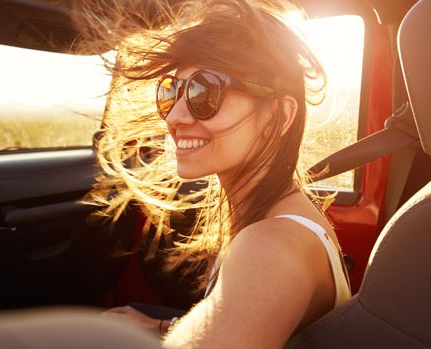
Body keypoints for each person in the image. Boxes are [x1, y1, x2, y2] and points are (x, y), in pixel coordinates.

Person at [77, 0, 352, 347]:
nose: (174, 116)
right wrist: (164, 326)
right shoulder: (272, 217)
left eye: (204, 91)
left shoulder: (271, 246)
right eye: (171, 92)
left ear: (279, 117)